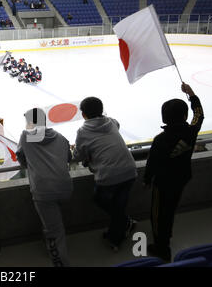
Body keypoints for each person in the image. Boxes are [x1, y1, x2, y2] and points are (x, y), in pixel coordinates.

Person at [144, 83, 204, 262]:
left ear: (164, 118)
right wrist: (191, 93)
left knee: (157, 215)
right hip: (182, 179)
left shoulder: (160, 140)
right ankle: (166, 235)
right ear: (185, 115)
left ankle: (162, 248)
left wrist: (147, 180)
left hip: (162, 184)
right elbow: (199, 115)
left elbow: (152, 163)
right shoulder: (192, 131)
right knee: (170, 209)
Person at [72, 97, 138, 251]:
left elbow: (78, 156)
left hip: (109, 176)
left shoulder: (83, 131)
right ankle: (122, 227)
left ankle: (118, 234)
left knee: (100, 200)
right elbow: (117, 125)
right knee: (119, 205)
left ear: (83, 114)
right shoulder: (111, 122)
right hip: (129, 169)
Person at [16, 108, 73, 267]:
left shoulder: (26, 136)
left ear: (30, 123)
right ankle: (50, 242)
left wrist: (31, 165)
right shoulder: (61, 138)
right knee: (53, 224)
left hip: (43, 190)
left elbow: (20, 156)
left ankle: (61, 263)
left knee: (55, 232)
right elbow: (69, 158)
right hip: (65, 186)